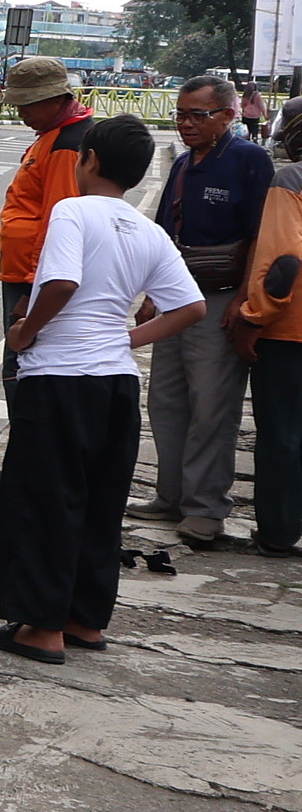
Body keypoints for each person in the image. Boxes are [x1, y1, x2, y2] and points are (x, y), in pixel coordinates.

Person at [0, 115, 205, 663]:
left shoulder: (72, 211)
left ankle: (40, 626)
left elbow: (61, 281)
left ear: (91, 161)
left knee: (43, 501)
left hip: (60, 378)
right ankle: (85, 619)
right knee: (100, 503)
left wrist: (24, 333)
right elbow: (191, 307)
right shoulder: (148, 231)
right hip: (115, 383)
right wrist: (125, 337)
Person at [136, 75, 274, 548]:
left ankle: (206, 510)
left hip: (220, 298)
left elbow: (261, 234)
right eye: (181, 114)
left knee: (213, 406)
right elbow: (162, 236)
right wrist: (152, 293)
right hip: (175, 296)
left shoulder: (249, 161)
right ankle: (169, 495)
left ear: (229, 116)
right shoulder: (181, 164)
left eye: (199, 114)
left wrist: (242, 298)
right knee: (167, 399)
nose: (187, 123)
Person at [231, 106, 302, 557]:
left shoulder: (291, 180)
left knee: (282, 436)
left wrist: (253, 317)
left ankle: (278, 531)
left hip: (289, 333)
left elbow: (284, 265)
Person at [0, 58, 93, 385]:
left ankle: (25, 435)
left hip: (32, 280)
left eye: (28, 103)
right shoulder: (54, 134)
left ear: (55, 99)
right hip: (25, 273)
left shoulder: (66, 146)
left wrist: (33, 293)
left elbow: (60, 224)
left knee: (22, 364)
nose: (21, 111)